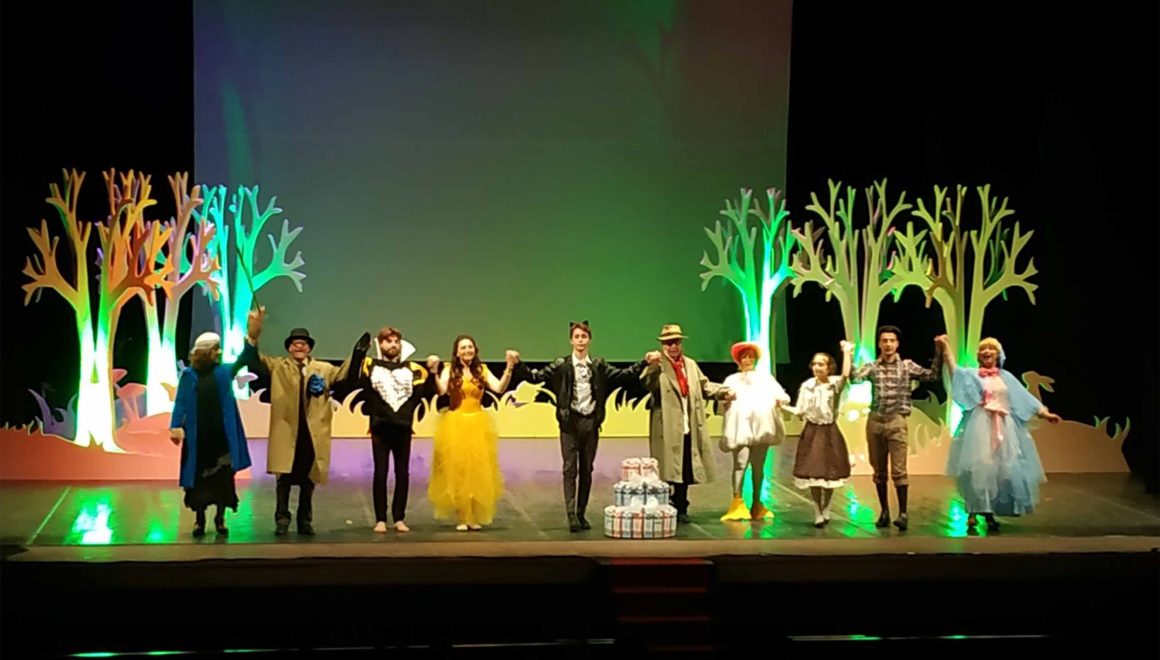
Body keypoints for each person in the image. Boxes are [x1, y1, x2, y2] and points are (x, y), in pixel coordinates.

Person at [514, 320, 661, 532]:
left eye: (584, 337)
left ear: (589, 340)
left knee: (587, 469)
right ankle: (571, 514)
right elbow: (535, 377)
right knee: (569, 469)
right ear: (571, 341)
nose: (580, 341)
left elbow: (623, 375)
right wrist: (517, 364)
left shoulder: (598, 365)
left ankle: (581, 513)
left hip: (590, 423)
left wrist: (644, 362)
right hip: (569, 423)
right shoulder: (562, 365)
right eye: (577, 337)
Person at [241, 307, 363, 536]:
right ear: (289, 348)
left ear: (309, 348)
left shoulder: (323, 369)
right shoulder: (278, 366)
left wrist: (357, 354)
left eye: (303, 343)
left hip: (311, 432)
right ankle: (282, 519)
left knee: (308, 480)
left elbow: (344, 376)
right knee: (284, 479)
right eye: (295, 343)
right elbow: (253, 359)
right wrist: (253, 336)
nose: (299, 346)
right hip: (287, 431)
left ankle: (305, 520)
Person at [938, 335, 1061, 534]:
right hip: (980, 426)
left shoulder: (1006, 377)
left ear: (998, 354)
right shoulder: (973, 374)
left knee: (1001, 470)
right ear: (979, 355)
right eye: (983, 349)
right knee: (979, 467)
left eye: (991, 349)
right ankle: (973, 511)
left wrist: (1045, 414)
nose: (987, 352)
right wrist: (945, 346)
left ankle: (990, 511)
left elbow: (1024, 397)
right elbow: (955, 371)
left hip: (1004, 427)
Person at [343, 325, 440, 533]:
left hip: (403, 428)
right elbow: (352, 381)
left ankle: (399, 517)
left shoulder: (412, 369)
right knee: (380, 472)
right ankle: (380, 519)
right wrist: (358, 354)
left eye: (396, 341)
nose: (393, 345)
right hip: (380, 427)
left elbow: (423, 393)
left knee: (402, 473)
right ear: (381, 344)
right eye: (388, 341)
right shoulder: (370, 366)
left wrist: (432, 373)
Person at [849, 325, 942, 531]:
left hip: (896, 421)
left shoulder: (907, 366)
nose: (888, 344)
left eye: (892, 340)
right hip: (875, 421)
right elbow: (855, 379)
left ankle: (903, 513)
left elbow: (933, 375)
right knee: (879, 470)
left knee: (899, 470)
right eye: (884, 341)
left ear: (897, 344)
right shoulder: (873, 367)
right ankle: (884, 512)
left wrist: (939, 351)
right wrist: (849, 355)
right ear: (879, 344)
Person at [641, 324, 734, 524]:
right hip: (667, 425)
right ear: (663, 345)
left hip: (688, 421)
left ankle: (681, 505)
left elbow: (704, 386)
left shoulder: (690, 365)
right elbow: (647, 383)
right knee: (668, 467)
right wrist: (652, 366)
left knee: (684, 466)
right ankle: (665, 505)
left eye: (676, 342)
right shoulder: (659, 365)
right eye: (668, 343)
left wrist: (723, 392)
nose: (673, 346)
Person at [169, 331, 254, 537]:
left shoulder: (224, 372)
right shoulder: (189, 375)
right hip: (199, 436)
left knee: (222, 478)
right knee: (199, 480)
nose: (219, 352)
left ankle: (220, 518)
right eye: (216, 349)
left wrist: (252, 338)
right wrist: (175, 426)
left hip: (221, 435)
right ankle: (199, 520)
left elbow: (243, 359)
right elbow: (181, 402)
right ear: (206, 352)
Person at [427, 335, 515, 531]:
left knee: (477, 472)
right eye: (463, 347)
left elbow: (499, 387)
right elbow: (441, 391)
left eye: (470, 347)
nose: (467, 350)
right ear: (457, 352)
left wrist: (509, 367)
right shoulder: (450, 369)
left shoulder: (481, 370)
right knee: (458, 471)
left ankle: (473, 517)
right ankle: (462, 516)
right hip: (455, 424)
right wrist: (433, 373)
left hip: (478, 424)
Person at [718, 341, 790, 522]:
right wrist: (725, 400)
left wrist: (782, 400)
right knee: (740, 464)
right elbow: (721, 401)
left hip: (761, 427)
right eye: (744, 357)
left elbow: (781, 395)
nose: (748, 360)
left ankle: (757, 503)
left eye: (751, 357)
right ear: (738, 360)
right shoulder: (732, 380)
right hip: (740, 427)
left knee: (758, 467)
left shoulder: (765, 378)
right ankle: (737, 501)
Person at [785, 341, 854, 527]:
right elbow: (800, 411)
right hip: (812, 431)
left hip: (829, 431)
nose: (817, 367)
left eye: (821, 364)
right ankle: (817, 510)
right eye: (815, 364)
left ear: (829, 367)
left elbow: (846, 375)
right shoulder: (807, 386)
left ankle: (827, 506)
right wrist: (782, 406)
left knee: (829, 472)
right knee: (813, 472)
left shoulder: (833, 384)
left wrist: (847, 352)